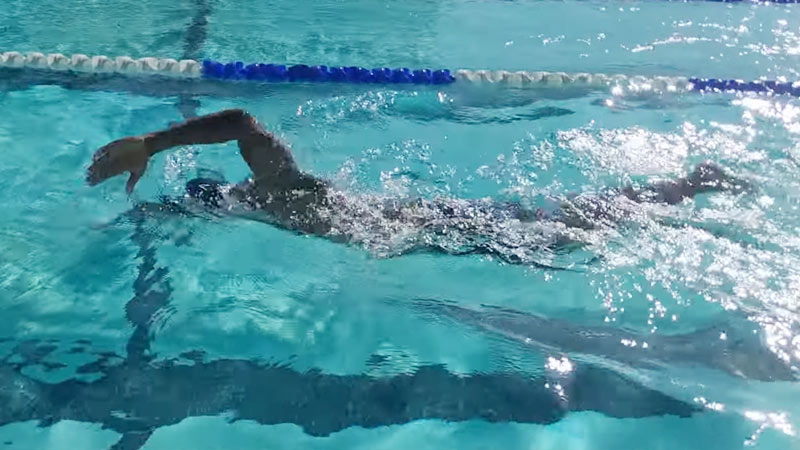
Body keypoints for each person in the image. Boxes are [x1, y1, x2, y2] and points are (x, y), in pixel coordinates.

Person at [86, 109, 749, 262]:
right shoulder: (268, 198)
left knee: (570, 234)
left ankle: (690, 187)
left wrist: (153, 143)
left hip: (427, 226)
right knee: (572, 221)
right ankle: (687, 186)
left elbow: (239, 122)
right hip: (419, 221)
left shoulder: (278, 186)